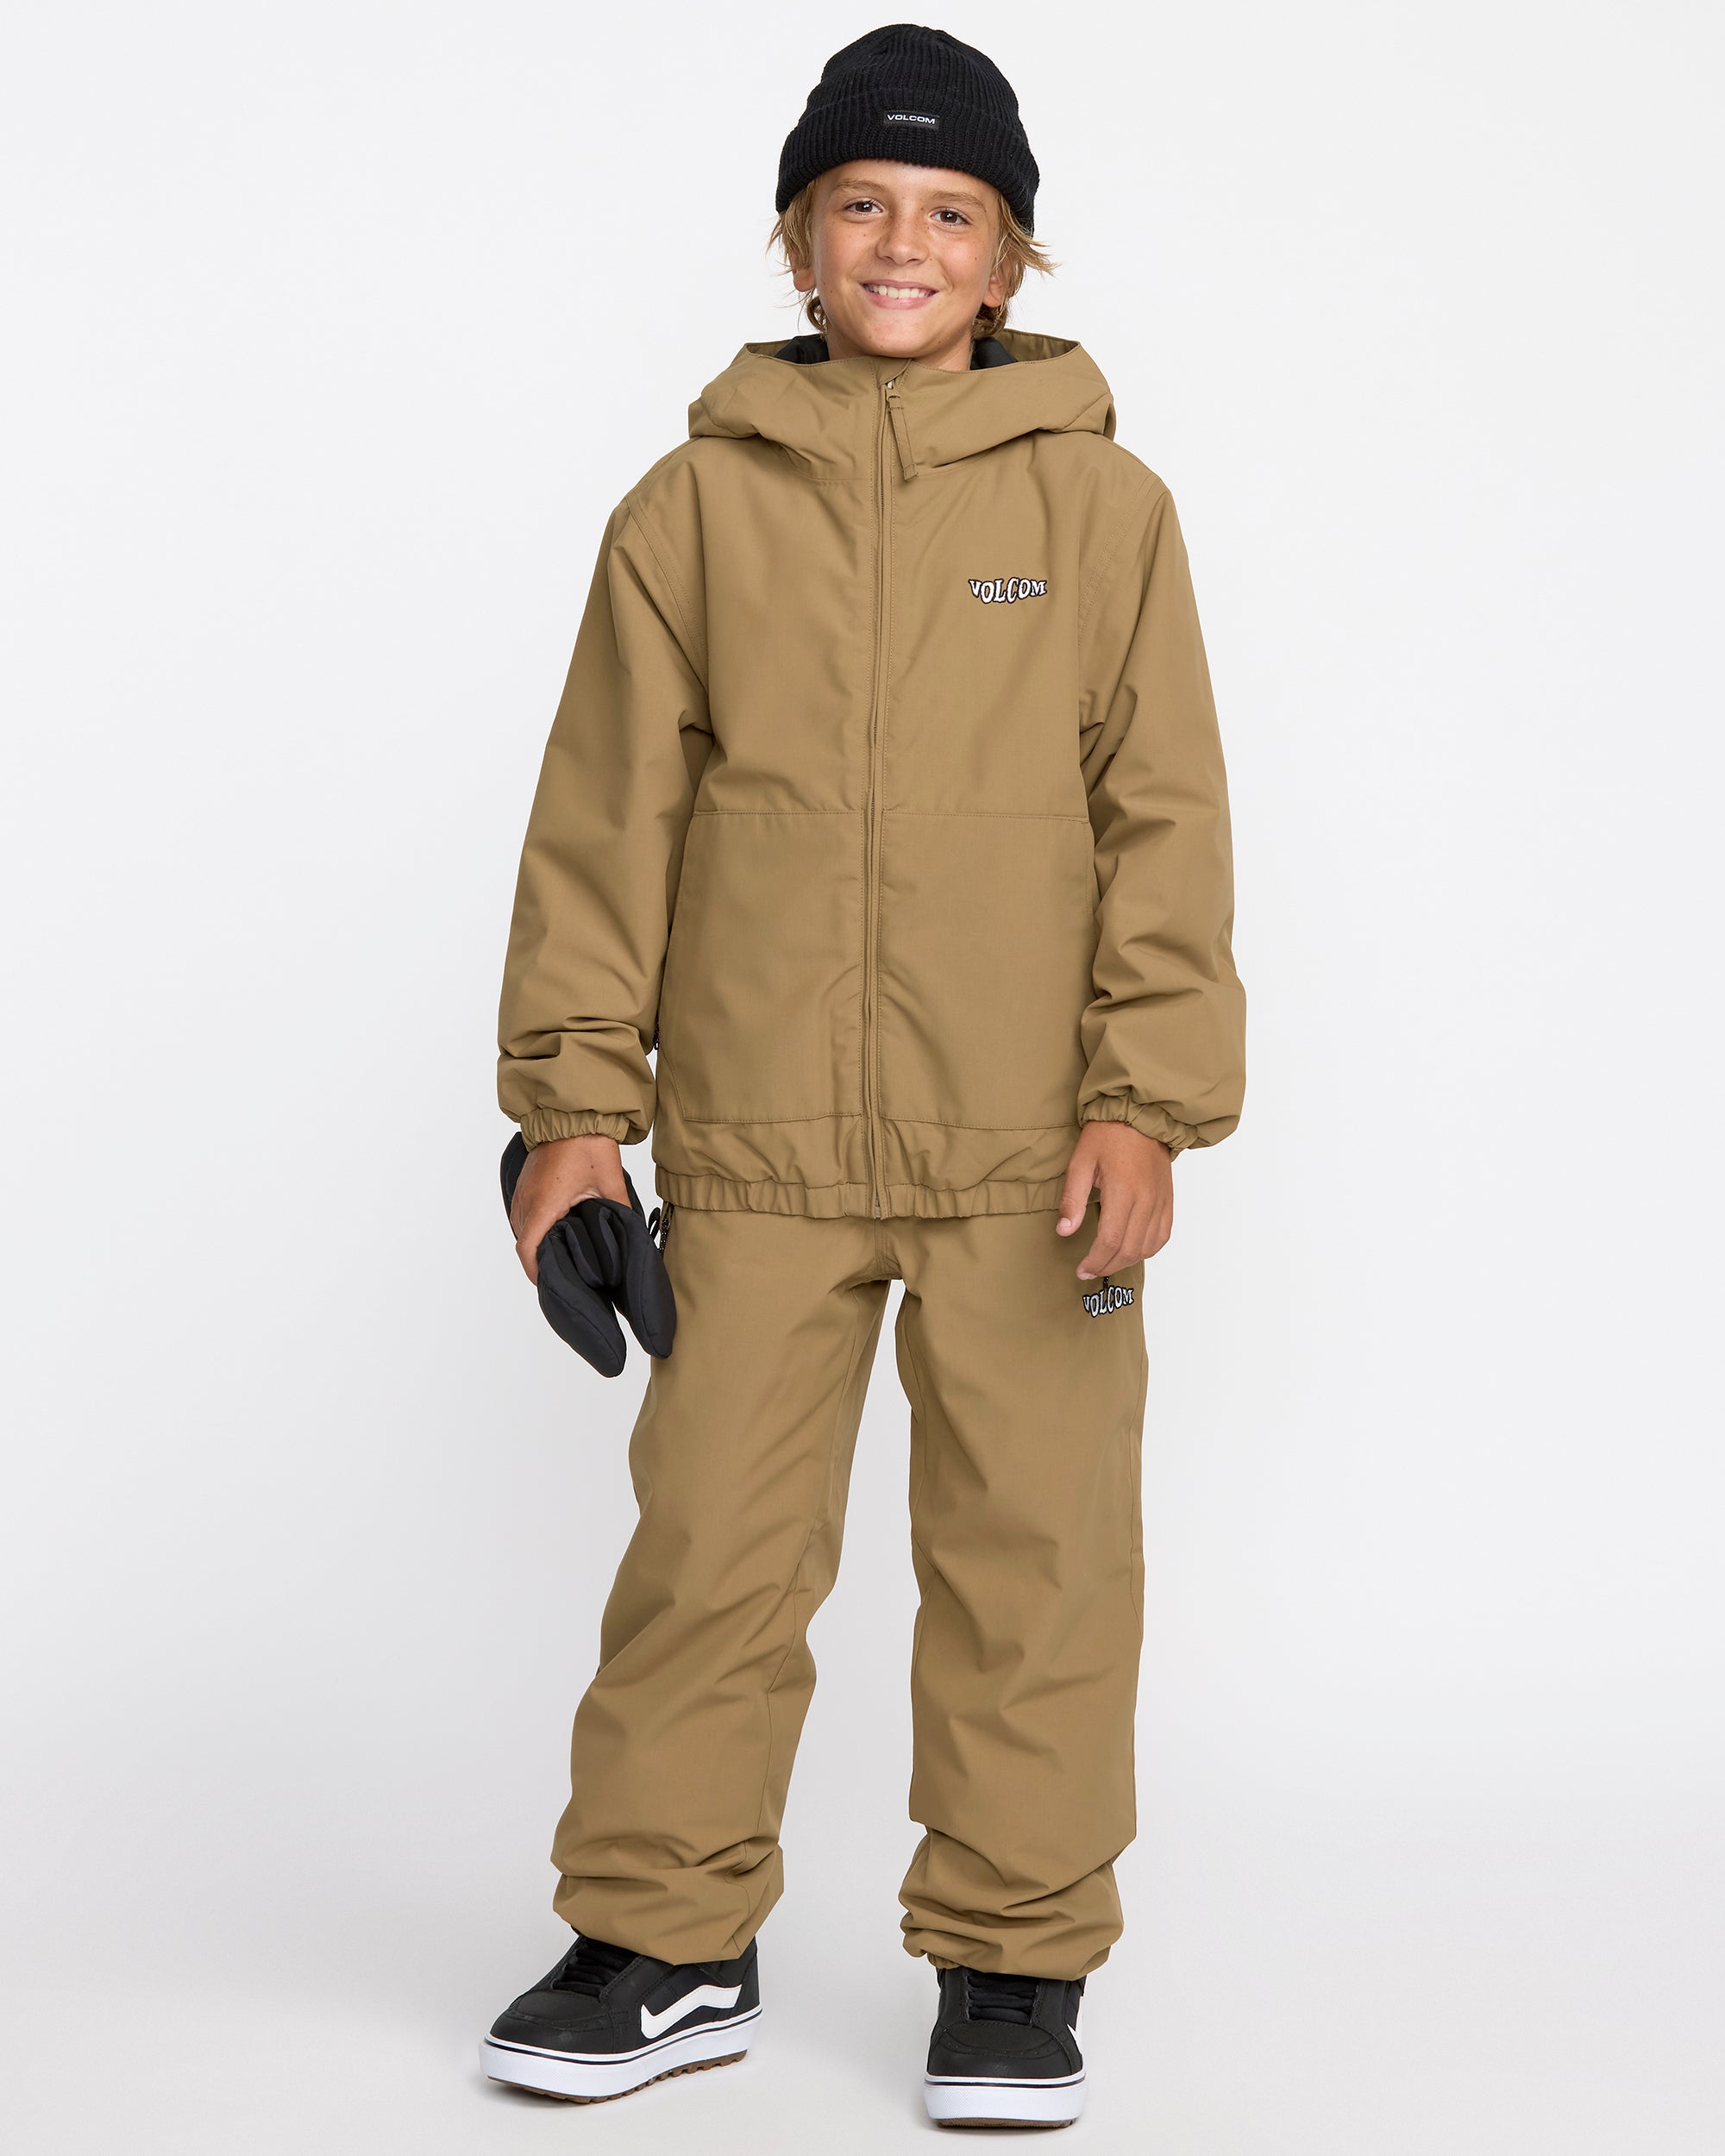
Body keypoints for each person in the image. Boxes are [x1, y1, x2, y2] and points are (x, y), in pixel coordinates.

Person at [480, 22, 1245, 2128]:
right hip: (755, 1144)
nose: (902, 243)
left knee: (1036, 1561)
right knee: (708, 1555)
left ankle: (1012, 1951)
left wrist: (1146, 1098)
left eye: (949, 213)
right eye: (860, 206)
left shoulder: (1102, 512)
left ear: (1010, 257)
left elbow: (1165, 819)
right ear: (798, 239)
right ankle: (663, 1933)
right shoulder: (690, 512)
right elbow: (603, 822)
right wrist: (568, 1113)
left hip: (1032, 1152)